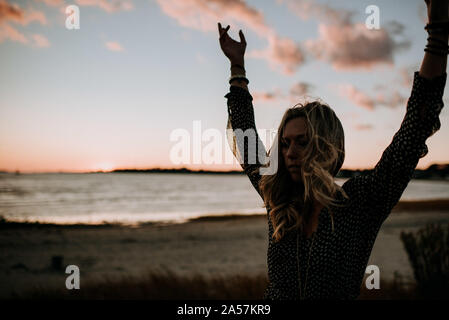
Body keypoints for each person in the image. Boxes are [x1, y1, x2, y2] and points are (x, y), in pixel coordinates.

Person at [217, 0, 448, 300]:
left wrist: (438, 35)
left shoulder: (360, 203)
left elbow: (413, 130)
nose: (289, 152)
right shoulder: (280, 200)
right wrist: (237, 67)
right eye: (285, 143)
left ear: (328, 147)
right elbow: (245, 137)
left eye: (302, 142)